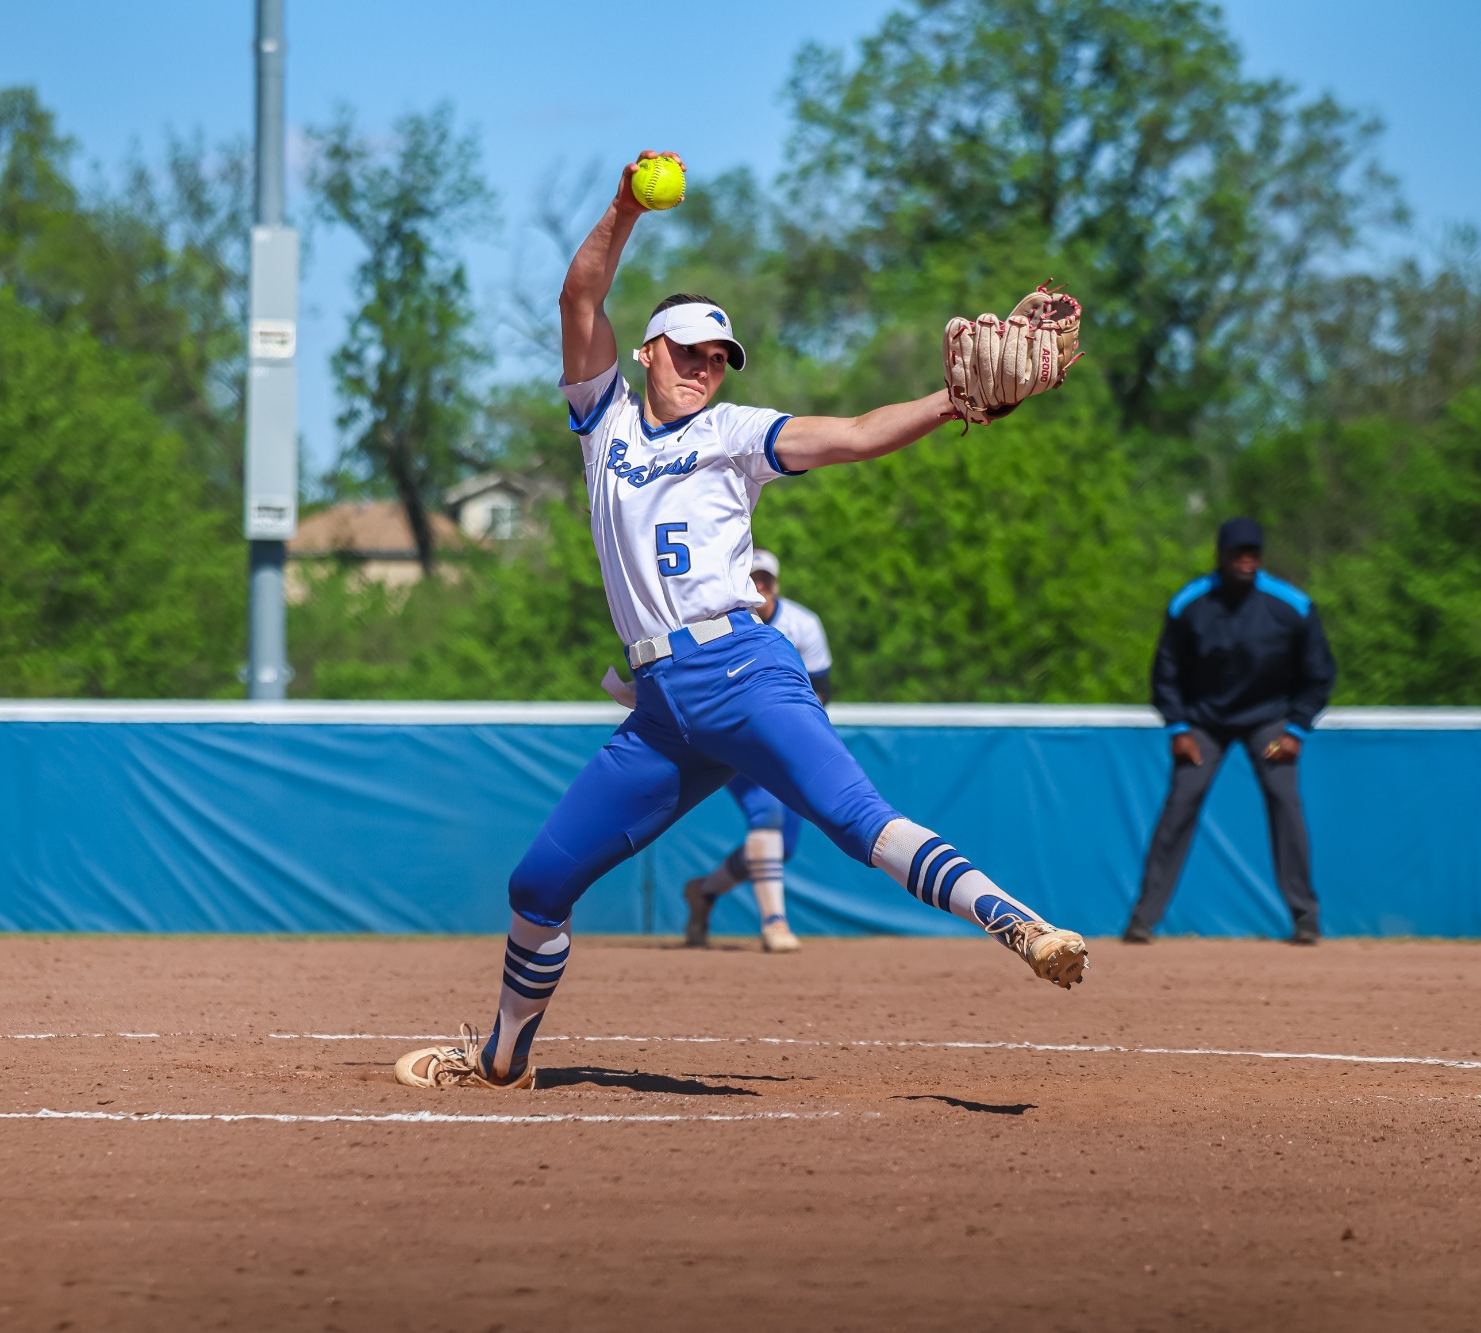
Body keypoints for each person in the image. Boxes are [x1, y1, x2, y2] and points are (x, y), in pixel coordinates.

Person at [393, 151, 1088, 1091]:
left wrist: (954, 401)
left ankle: (1021, 923)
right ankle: (503, 1056)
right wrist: (623, 204)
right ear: (648, 352)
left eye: (718, 357)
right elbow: (579, 294)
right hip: (663, 708)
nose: (704, 369)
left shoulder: (733, 433)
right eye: (688, 351)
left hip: (741, 668)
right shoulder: (605, 424)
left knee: (854, 818)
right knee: (537, 885)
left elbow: (851, 434)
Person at [1123, 518, 1336, 946]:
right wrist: (1179, 727)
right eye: (1238, 552)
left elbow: (1319, 673)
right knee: (1180, 803)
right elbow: (1165, 672)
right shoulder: (1191, 603)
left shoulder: (1290, 604)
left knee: (1285, 802)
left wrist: (1296, 729)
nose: (1246, 559)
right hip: (1203, 721)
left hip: (1270, 719)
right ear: (1220, 555)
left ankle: (1306, 919)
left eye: (1253, 552)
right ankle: (1143, 919)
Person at [680, 547, 832, 954]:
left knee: (781, 848)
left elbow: (822, 689)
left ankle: (705, 892)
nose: (760, 586)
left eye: (766, 580)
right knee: (767, 814)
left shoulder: (802, 623)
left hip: (787, 738)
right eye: (753, 579)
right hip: (731, 733)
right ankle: (774, 922)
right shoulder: (717, 623)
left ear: (776, 584)